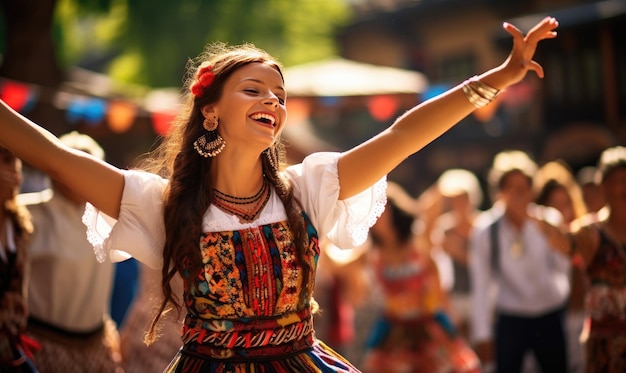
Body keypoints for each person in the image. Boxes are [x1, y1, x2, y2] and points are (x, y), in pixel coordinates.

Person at [0, 16, 559, 372]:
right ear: (211, 111)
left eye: (280, 92)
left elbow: (402, 135)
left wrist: (496, 79)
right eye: (254, 89)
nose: (274, 99)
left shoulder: (310, 187)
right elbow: (52, 155)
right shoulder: (161, 202)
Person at [17, 132, 124, 373]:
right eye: (74, 166)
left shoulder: (109, 217)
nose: (81, 176)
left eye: (89, 168)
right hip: (43, 347)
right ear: (56, 170)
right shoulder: (28, 213)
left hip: (96, 346)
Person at [361, 182, 481, 373]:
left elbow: (427, 212)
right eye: (371, 213)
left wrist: (442, 188)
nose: (377, 218)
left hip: (429, 326)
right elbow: (337, 262)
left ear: (394, 212)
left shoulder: (418, 242)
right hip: (393, 330)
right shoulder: (371, 253)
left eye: (381, 211)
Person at [469, 150, 571, 373]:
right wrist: (482, 333)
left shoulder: (548, 220)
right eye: (510, 189)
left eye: (523, 189)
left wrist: (548, 232)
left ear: (532, 190)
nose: (517, 195)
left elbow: (564, 266)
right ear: (499, 193)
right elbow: (481, 285)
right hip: (511, 317)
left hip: (549, 313)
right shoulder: (486, 230)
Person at [568, 146, 626, 373]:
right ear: (603, 186)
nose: (623, 188)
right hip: (603, 346)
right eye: (617, 181)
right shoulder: (589, 233)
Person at [534, 160, 589, 373]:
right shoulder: (532, 237)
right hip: (548, 320)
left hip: (581, 319)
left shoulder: (585, 235)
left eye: (565, 203)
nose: (560, 211)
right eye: (553, 204)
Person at [430, 169, 484, 341]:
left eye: (464, 198)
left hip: (480, 296)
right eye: (456, 200)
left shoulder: (483, 225)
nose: (460, 204)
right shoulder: (443, 227)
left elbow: (486, 264)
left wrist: (458, 251)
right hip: (453, 298)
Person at [0, 146, 37, 373]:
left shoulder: (17, 223)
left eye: (17, 160)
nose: (15, 169)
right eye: (6, 160)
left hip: (10, 344)